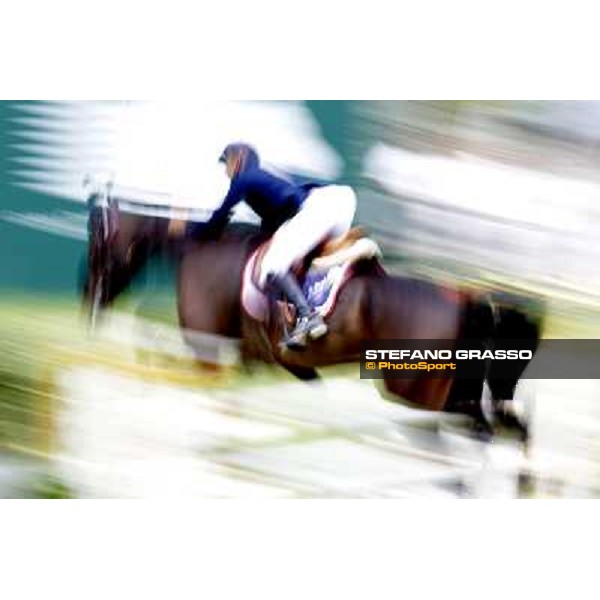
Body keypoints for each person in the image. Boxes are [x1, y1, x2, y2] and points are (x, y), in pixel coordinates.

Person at [187, 142, 357, 348]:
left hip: (321, 205)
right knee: (307, 263)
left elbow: (220, 215)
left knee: (272, 264)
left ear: (238, 158)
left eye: (227, 164)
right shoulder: (260, 184)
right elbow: (271, 224)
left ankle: (307, 316)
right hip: (341, 202)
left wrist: (190, 234)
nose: (226, 172)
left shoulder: (245, 178)